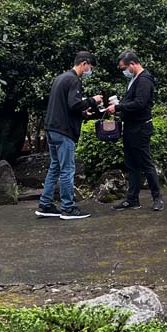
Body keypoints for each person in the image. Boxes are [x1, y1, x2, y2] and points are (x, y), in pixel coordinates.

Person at [36, 51, 101, 220]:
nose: (90, 71)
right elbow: (73, 105)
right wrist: (93, 101)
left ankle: (45, 204)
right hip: (64, 132)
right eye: (90, 67)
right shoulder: (73, 80)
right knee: (67, 169)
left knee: (55, 167)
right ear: (84, 63)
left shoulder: (60, 78)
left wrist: (83, 111)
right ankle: (68, 207)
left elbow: (67, 106)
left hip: (51, 129)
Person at [106, 51, 164, 211]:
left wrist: (118, 107)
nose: (124, 71)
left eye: (124, 67)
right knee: (131, 164)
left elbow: (140, 103)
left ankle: (157, 197)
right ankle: (132, 199)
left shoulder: (144, 79)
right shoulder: (134, 79)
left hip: (141, 127)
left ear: (132, 64)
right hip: (131, 127)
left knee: (146, 162)